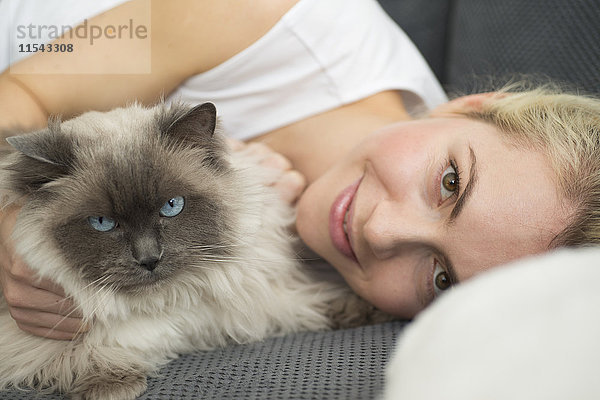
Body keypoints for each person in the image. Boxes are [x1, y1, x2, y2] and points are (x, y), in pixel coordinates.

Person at [0, 0, 599, 340]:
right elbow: (22, 95)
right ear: (473, 106)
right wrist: (14, 217)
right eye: (449, 184)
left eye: (441, 277)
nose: (383, 233)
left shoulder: (359, 289)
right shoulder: (264, 15)